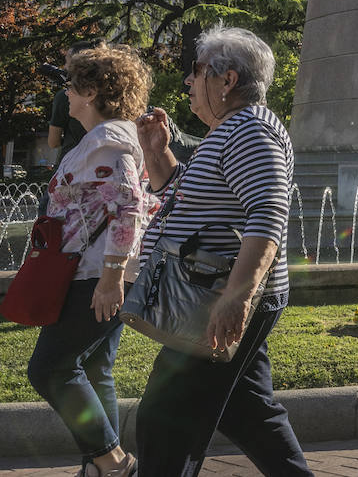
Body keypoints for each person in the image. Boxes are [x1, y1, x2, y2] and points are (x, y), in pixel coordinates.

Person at [133, 27, 311, 477]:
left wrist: (237, 297)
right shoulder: (228, 130)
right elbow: (192, 201)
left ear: (226, 79)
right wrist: (158, 155)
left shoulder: (250, 129)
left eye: (195, 72)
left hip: (215, 297)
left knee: (164, 419)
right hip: (214, 293)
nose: (188, 83)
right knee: (249, 413)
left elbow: (268, 212)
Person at [26, 44, 154, 477]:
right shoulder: (103, 140)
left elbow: (131, 209)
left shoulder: (108, 143)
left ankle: (113, 462)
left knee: (50, 369)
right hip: (94, 272)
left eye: (72, 83)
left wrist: (112, 278)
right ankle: (99, 468)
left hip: (94, 276)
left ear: (93, 91)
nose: (65, 91)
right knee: (96, 367)